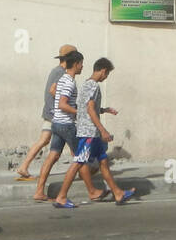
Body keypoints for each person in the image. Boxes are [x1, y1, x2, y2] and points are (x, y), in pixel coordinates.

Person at [53, 58, 135, 208]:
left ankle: (118, 193)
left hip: (92, 132)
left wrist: (104, 110)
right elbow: (90, 109)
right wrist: (103, 130)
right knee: (78, 162)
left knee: (103, 161)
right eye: (107, 74)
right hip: (89, 133)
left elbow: (86, 107)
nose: (106, 77)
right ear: (103, 71)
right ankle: (61, 197)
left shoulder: (86, 84)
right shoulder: (94, 86)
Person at [33, 50, 103, 203]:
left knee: (53, 156)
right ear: (76, 64)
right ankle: (91, 191)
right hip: (66, 125)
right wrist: (79, 112)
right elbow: (62, 104)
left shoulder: (63, 79)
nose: (83, 67)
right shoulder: (69, 82)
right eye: (81, 64)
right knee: (81, 158)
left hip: (57, 123)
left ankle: (39, 191)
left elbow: (55, 94)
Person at [16, 44, 74, 180]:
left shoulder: (56, 70)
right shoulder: (61, 73)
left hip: (50, 112)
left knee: (44, 140)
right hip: (56, 113)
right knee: (73, 142)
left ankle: (23, 167)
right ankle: (86, 168)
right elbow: (53, 91)